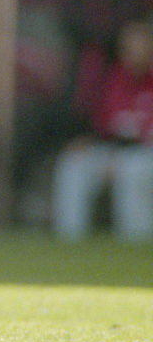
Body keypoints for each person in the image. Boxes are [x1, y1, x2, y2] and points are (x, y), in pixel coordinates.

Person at [51, 18, 153, 242]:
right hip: (113, 150)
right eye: (128, 48)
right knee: (73, 162)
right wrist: (90, 143)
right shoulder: (115, 78)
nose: (132, 54)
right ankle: (69, 239)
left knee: (134, 168)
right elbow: (104, 124)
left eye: (139, 47)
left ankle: (136, 240)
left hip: (145, 153)